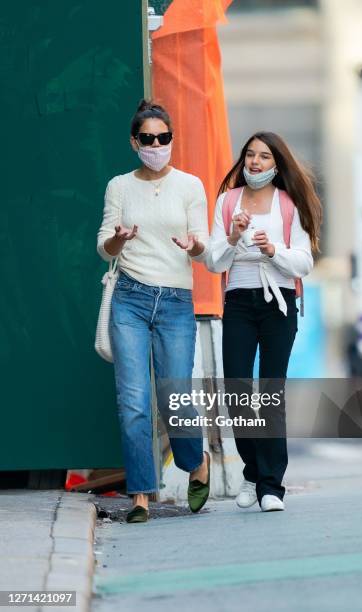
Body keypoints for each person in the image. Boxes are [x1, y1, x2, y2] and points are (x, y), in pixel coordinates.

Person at [97, 100, 210, 523]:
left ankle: (195, 462)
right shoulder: (119, 187)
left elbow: (203, 244)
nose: (157, 145)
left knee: (174, 396)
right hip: (130, 296)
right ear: (134, 142)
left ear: (172, 140)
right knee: (133, 400)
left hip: (176, 301)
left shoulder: (190, 185)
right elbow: (102, 245)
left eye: (164, 138)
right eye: (148, 139)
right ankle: (141, 493)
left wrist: (193, 246)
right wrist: (119, 240)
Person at [206, 131, 322, 512]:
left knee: (271, 394)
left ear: (277, 165)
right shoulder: (227, 201)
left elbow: (304, 261)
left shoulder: (288, 204)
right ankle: (253, 471)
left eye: (265, 157)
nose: (255, 163)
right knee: (237, 391)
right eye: (250, 155)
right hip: (238, 302)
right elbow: (213, 262)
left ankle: (271, 486)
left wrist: (274, 251)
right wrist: (234, 236)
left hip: (280, 304)